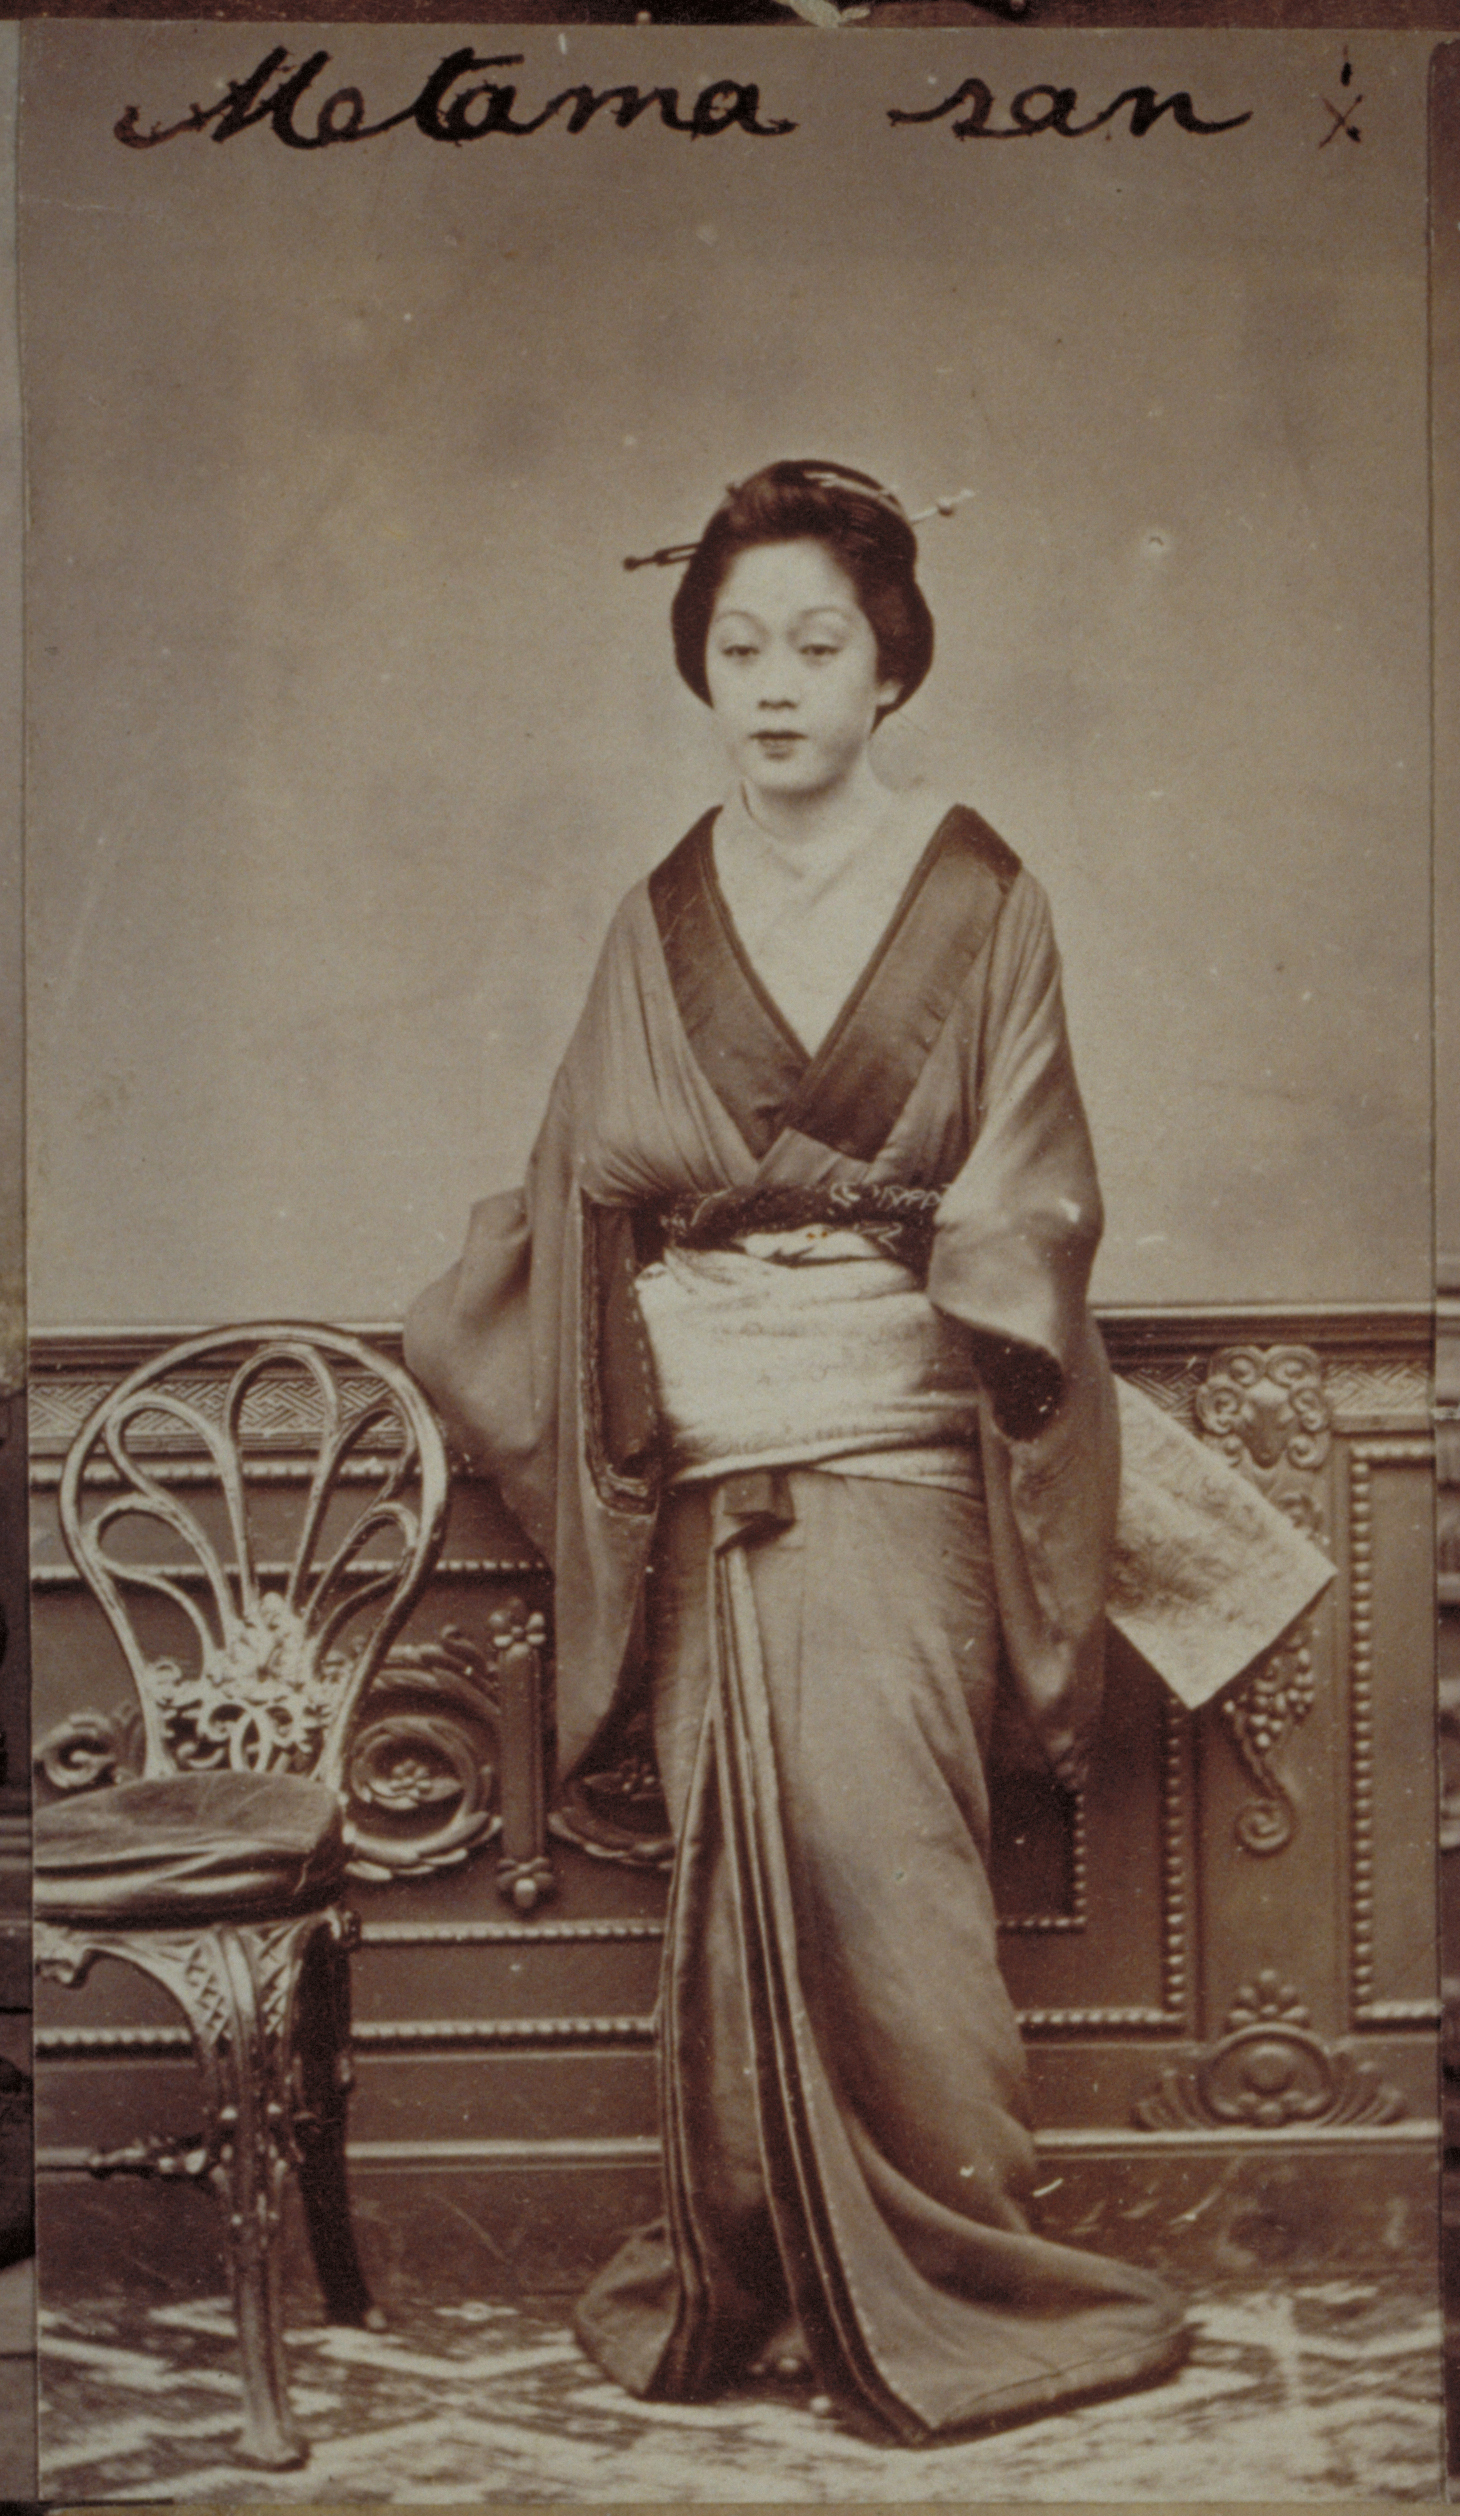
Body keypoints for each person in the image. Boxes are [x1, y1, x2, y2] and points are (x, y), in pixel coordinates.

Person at [404, 458, 1189, 2440]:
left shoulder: (980, 895)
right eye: (736, 645)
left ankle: (967, 2275)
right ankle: (757, 2269)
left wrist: (877, 1242)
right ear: (702, 667)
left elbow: (1031, 1191)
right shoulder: (656, 911)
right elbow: (580, 1187)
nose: (773, 682)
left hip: (895, 1443)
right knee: (732, 1891)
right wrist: (654, 1353)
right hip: (704, 1448)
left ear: (888, 669)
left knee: (887, 1875)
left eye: (814, 645)